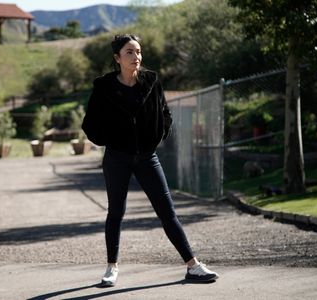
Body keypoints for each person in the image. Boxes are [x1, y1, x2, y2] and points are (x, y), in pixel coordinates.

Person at [82, 34, 219, 287]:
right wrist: (109, 141)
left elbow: (165, 112)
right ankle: (111, 268)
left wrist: (158, 135)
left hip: (147, 157)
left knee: (168, 213)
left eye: (138, 51)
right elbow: (90, 122)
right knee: (116, 212)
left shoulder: (151, 81)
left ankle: (193, 266)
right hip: (117, 159)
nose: (136, 57)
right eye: (129, 52)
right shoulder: (104, 87)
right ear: (117, 58)